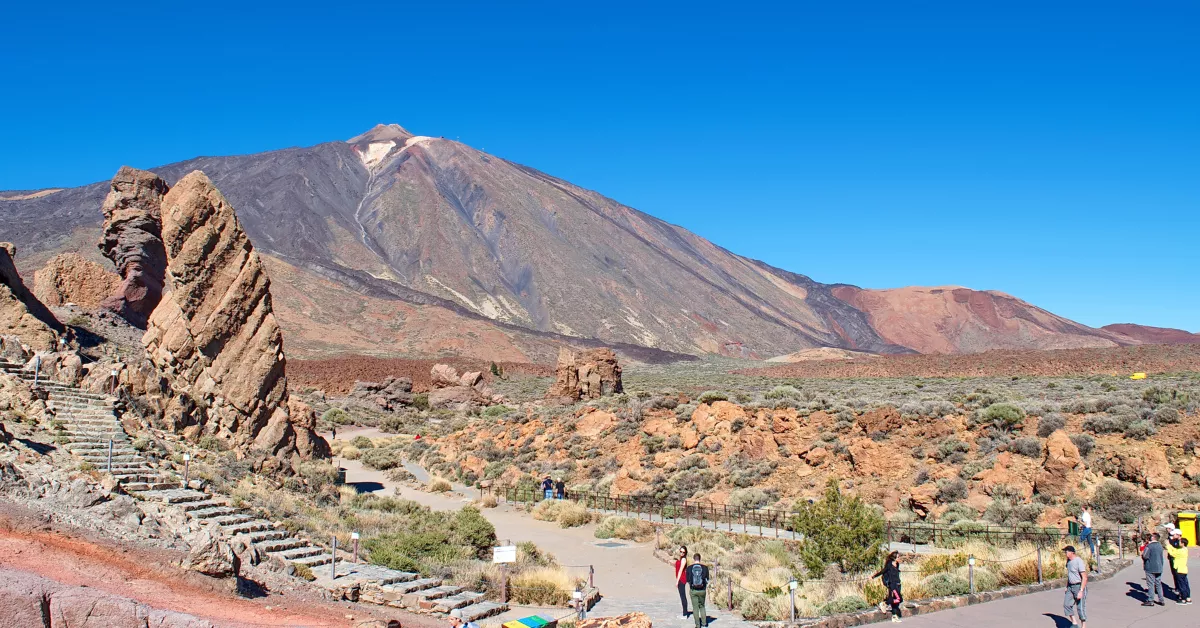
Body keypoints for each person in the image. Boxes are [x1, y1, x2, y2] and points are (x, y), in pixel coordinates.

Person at [871, 551, 904, 623]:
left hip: (898, 584)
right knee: (899, 599)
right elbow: (882, 571)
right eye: (898, 557)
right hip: (892, 585)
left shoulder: (897, 564)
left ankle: (894, 616)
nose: (899, 558)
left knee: (897, 601)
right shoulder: (889, 565)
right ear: (894, 558)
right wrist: (873, 576)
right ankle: (885, 604)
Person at [1063, 545, 1088, 628]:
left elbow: (1084, 577)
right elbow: (1070, 575)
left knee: (1080, 608)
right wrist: (1067, 586)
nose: (1065, 553)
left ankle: (1083, 626)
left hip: (1079, 586)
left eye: (1066, 551)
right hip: (1070, 586)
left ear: (1071, 552)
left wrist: (1081, 591)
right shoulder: (1068, 562)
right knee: (1066, 605)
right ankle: (1074, 623)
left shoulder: (1078, 561)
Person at [1167, 533, 1192, 605]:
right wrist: (1170, 545)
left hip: (1179, 569)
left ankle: (1183, 599)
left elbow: (1172, 553)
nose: (1178, 542)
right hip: (1184, 569)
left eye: (1180, 542)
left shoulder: (1181, 551)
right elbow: (1174, 550)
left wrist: (1168, 545)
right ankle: (1188, 598)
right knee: (1186, 584)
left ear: (1183, 543)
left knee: (1182, 585)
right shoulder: (1185, 549)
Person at [1142, 532, 1166, 606]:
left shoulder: (1149, 546)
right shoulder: (1160, 546)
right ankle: (1161, 599)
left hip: (1150, 567)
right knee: (1158, 584)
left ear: (1153, 538)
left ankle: (1150, 600)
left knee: (1151, 584)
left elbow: (1145, 556)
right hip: (1159, 567)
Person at [687, 553, 710, 628]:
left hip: (693, 590)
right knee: (702, 606)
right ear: (700, 559)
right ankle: (704, 623)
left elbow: (688, 580)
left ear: (694, 559)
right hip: (702, 590)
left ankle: (697, 625)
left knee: (695, 608)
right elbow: (707, 580)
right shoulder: (705, 568)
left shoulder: (689, 568)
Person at [674, 545, 690, 620]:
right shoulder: (680, 558)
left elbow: (680, 570)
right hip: (680, 578)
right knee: (682, 596)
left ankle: (685, 614)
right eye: (681, 551)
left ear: (685, 553)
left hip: (682, 579)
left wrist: (677, 581)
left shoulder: (683, 559)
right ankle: (684, 612)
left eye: (683, 552)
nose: (682, 553)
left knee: (683, 596)